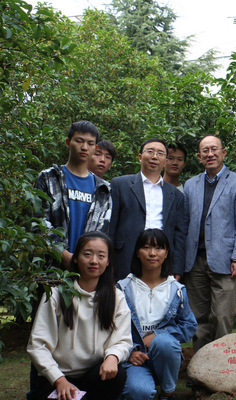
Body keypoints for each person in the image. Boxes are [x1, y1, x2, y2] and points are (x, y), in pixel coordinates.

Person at [27, 232, 132, 400]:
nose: (94, 261)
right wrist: (59, 380)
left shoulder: (116, 297)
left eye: (101, 256)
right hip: (57, 378)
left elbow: (122, 339)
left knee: (117, 374)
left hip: (93, 375)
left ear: (108, 261)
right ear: (75, 258)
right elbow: (38, 345)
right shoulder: (56, 294)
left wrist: (113, 356)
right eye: (87, 254)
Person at [184, 135, 236, 351]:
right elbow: (185, 222)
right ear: (199, 157)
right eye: (205, 151)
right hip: (194, 262)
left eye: (214, 149)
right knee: (198, 320)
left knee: (222, 317)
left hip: (227, 262)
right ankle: (200, 365)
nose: (210, 154)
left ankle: (221, 366)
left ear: (224, 153)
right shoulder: (190, 185)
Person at [118, 229, 197, 400]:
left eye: (159, 248)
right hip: (135, 360)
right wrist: (129, 351)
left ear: (166, 253)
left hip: (165, 357)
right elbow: (112, 328)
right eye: (146, 247)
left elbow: (189, 325)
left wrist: (157, 334)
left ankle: (167, 394)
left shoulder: (176, 289)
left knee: (164, 342)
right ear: (137, 252)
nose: (152, 253)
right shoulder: (123, 288)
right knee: (138, 392)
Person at [34, 120, 111, 268]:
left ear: (95, 148)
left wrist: (85, 260)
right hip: (50, 268)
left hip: (88, 269)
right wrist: (62, 254)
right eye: (79, 141)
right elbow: (39, 222)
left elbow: (102, 232)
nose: (84, 147)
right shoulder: (49, 178)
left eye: (90, 143)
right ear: (68, 143)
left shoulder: (103, 189)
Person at [109, 138, 186, 281]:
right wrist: (108, 259)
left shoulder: (176, 195)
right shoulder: (120, 185)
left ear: (165, 161)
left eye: (160, 153)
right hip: (125, 256)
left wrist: (177, 267)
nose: (155, 156)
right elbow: (111, 225)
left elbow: (179, 235)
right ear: (140, 157)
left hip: (161, 259)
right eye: (150, 151)